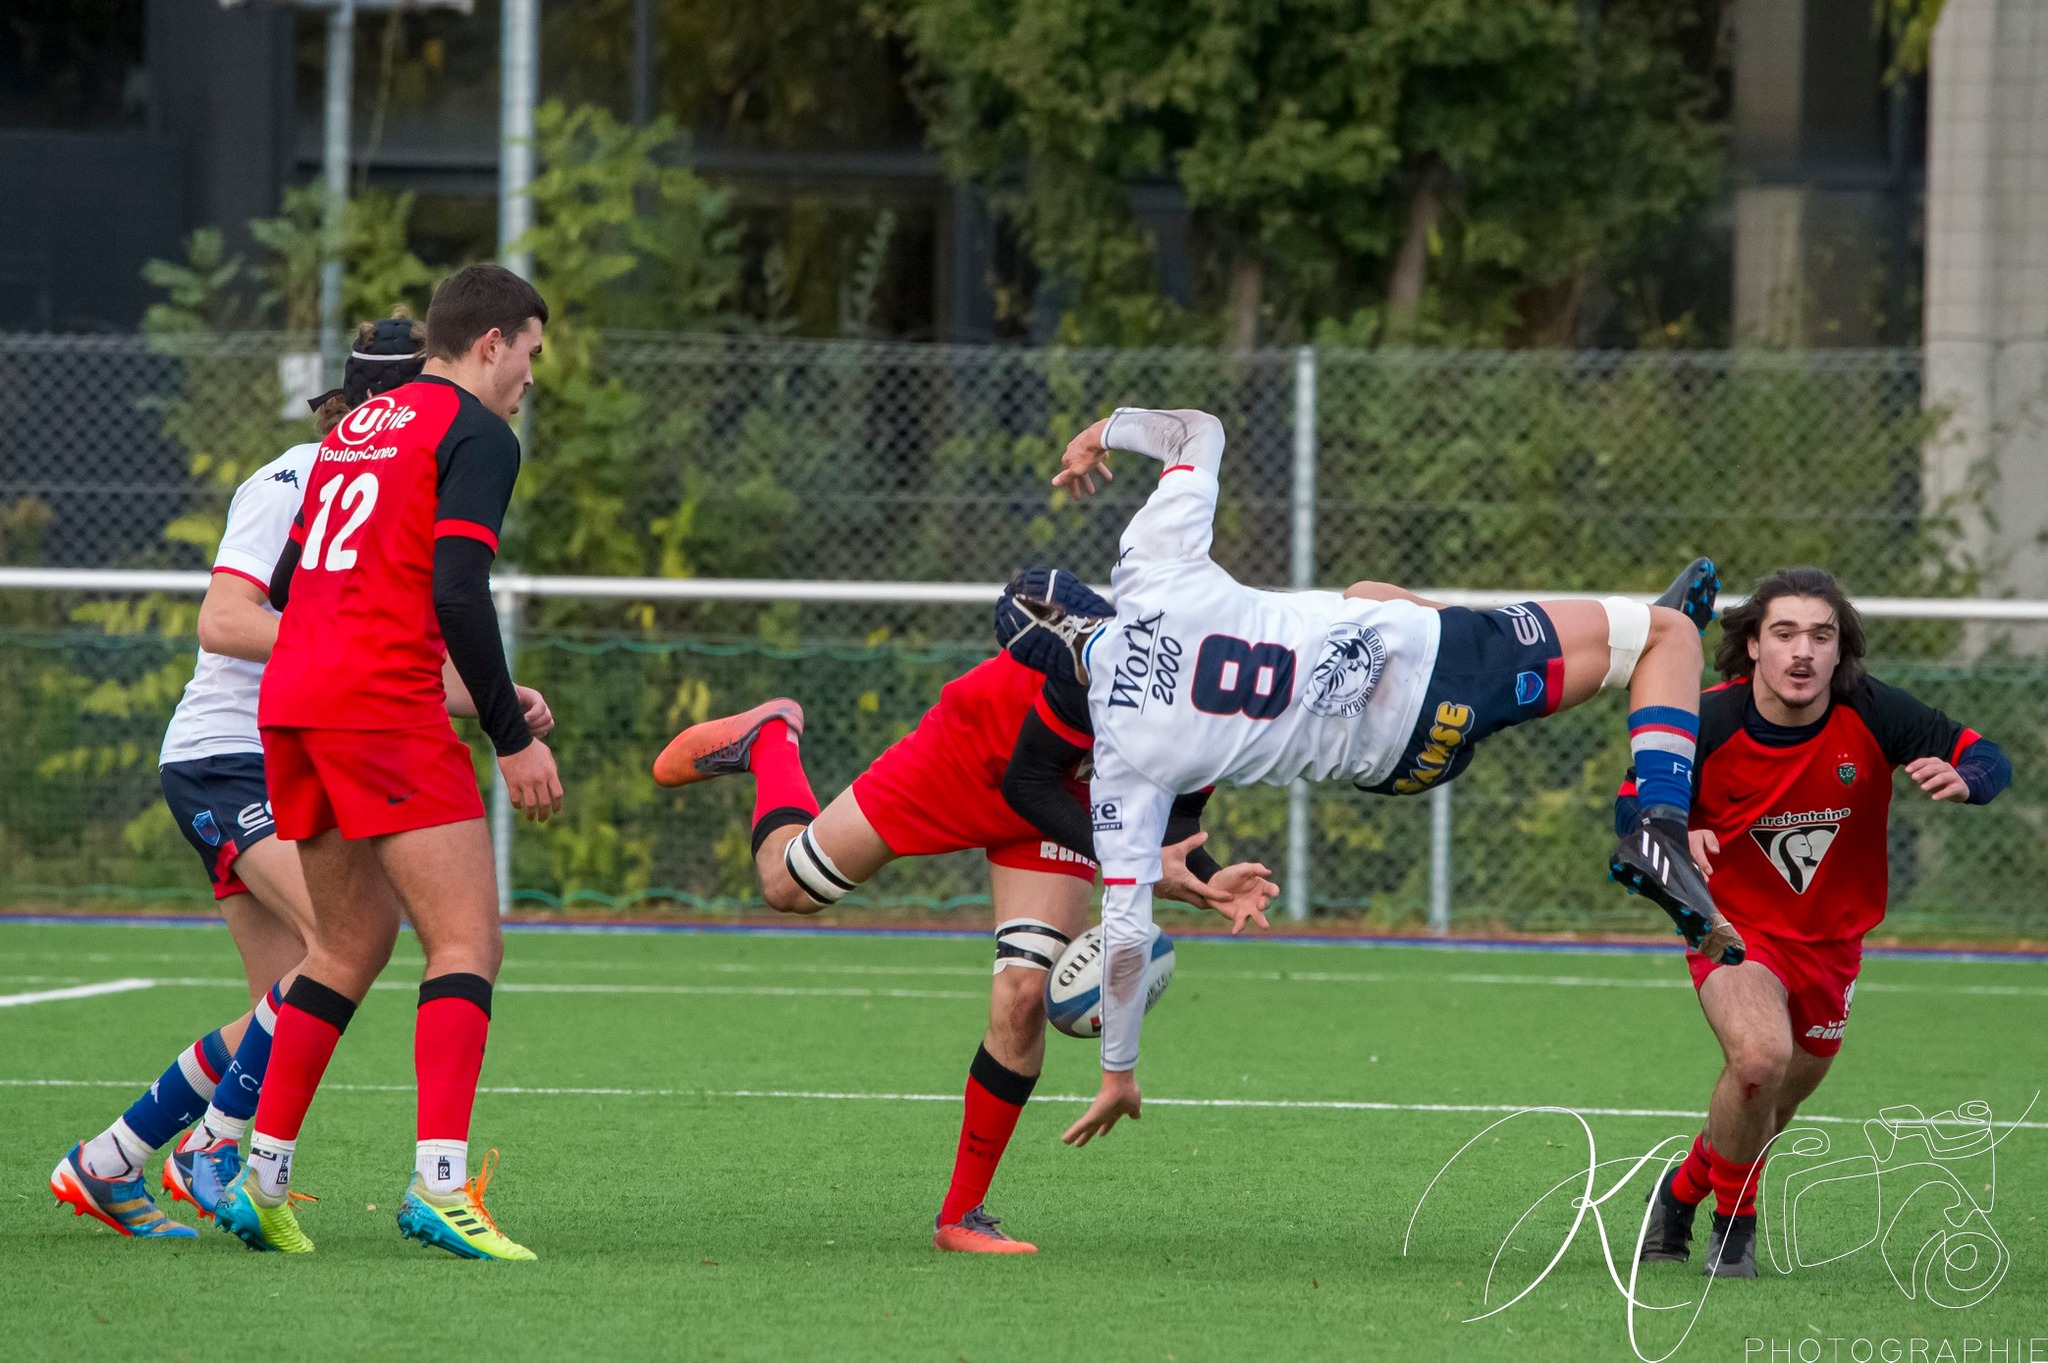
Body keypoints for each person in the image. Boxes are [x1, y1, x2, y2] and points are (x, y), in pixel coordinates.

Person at [995, 407, 1737, 1149]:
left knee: (1374, 592)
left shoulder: (1126, 758)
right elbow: (1200, 431)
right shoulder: (1151, 565)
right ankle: (1659, 825)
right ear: (1092, 595)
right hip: (1422, 666)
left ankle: (1628, 670)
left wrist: (1117, 1071)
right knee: (1666, 637)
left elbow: (1126, 932)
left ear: (1044, 668)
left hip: (1397, 764)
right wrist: (1105, 430)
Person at [654, 650, 1278, 1254]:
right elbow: (1027, 781)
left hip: (1066, 804)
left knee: (1024, 997)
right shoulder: (1123, 658)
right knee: (787, 887)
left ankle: (961, 1217)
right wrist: (1133, 861)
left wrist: (1205, 879)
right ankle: (772, 739)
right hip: (975, 754)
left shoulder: (1221, 710)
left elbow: (1176, 826)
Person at [48, 315, 443, 1237]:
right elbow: (225, 621)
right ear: (395, 403)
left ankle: (111, 1159)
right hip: (228, 754)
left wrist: (502, 704)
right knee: (347, 942)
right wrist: (347, 646)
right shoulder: (294, 478)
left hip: (291, 752)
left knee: (301, 993)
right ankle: (207, 1149)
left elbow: (398, 654)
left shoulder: (393, 493)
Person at [213, 265, 563, 1260]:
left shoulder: (357, 426)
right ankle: (439, 1185)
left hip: (293, 704)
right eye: (529, 355)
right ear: (489, 342)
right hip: (380, 705)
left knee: (347, 943)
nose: (530, 378)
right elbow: (459, 590)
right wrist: (511, 735)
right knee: (465, 943)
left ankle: (261, 1174)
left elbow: (306, 576)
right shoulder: (477, 432)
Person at [1630, 566, 2010, 1278]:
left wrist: (1973, 781)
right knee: (1757, 1061)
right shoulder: (1705, 719)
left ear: (1841, 651)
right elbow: (1632, 809)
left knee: (1768, 1106)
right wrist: (1677, 833)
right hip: (1730, 928)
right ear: (1752, 647)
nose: (1803, 650)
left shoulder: (1871, 709)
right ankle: (1734, 1232)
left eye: (1821, 634)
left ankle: (1677, 1192)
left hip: (1833, 946)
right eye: (1784, 633)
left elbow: (1984, 754)